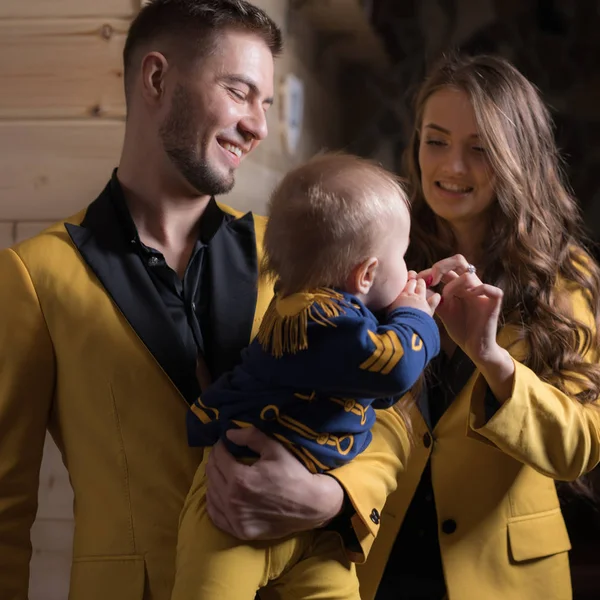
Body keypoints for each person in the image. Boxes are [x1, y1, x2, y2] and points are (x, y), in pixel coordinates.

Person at [199, 54, 600, 600]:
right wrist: (334, 497)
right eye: (436, 141)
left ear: (518, 155)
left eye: (480, 148)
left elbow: (579, 446)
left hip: (507, 577)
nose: (452, 166)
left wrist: (492, 359)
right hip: (372, 554)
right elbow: (356, 403)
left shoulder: (567, 276)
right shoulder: (379, 250)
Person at [0, 1, 283, 598]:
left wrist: (336, 494)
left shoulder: (282, 257)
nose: (258, 125)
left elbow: (372, 413)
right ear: (157, 78)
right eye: (239, 92)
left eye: (267, 104)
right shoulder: (35, 276)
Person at [171, 153, 441, 599]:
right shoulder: (322, 320)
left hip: (315, 531)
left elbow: (374, 396)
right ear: (368, 272)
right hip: (231, 511)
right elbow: (395, 366)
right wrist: (415, 318)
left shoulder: (315, 303)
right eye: (403, 255)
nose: (409, 265)